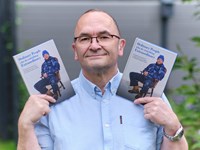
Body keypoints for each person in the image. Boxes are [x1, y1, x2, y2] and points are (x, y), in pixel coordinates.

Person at [17, 9, 188, 150]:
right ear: (75, 50)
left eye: (104, 37)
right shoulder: (51, 105)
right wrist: (25, 126)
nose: (94, 45)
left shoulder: (153, 100)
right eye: (84, 39)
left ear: (120, 46)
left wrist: (173, 127)